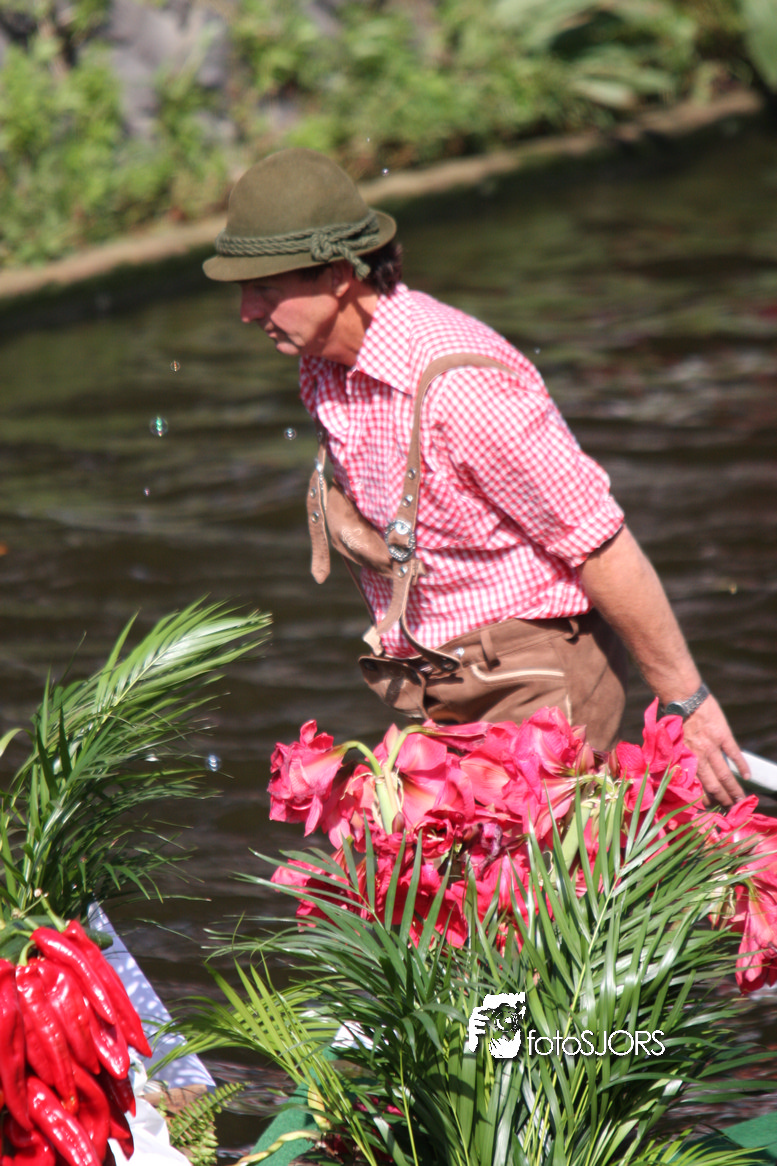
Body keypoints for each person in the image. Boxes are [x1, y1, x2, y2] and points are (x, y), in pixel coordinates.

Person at [203, 147, 748, 805]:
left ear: (339, 276)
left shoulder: (461, 387)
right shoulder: (322, 367)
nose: (246, 311)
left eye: (265, 288)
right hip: (441, 681)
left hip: (538, 681)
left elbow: (600, 544)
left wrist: (687, 703)